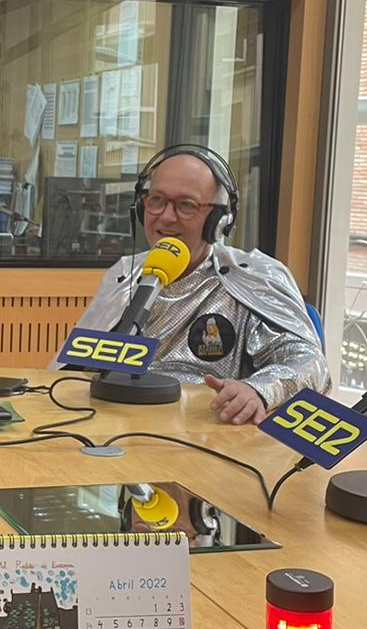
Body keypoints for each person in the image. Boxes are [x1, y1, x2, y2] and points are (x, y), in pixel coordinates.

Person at [59, 144, 328, 423]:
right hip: (113, 427)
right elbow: (73, 371)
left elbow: (309, 363)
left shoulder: (255, 278)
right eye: (156, 200)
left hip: (206, 439)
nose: (165, 216)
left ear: (219, 220)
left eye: (186, 205)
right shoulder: (125, 274)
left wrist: (258, 390)